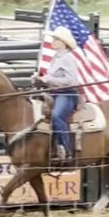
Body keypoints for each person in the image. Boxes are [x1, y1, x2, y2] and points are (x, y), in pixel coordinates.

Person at [32, 26, 80, 163]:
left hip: (67, 94)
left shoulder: (68, 58)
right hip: (55, 93)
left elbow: (72, 81)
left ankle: (67, 150)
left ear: (63, 43)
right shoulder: (57, 57)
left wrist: (48, 79)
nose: (52, 41)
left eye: (56, 39)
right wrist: (40, 79)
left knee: (57, 115)